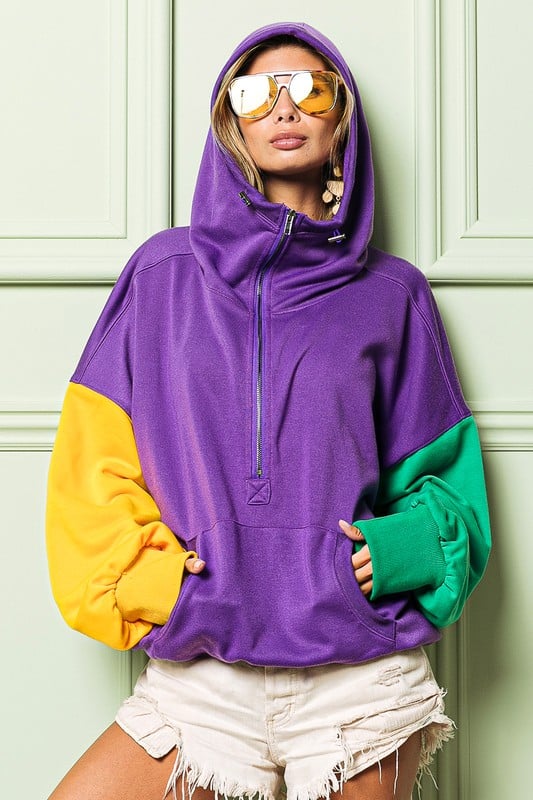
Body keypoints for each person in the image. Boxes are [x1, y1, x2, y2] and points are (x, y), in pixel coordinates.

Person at [46, 21, 491, 800]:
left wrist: (405, 549)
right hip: (202, 678)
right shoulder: (160, 275)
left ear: (339, 118)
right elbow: (91, 471)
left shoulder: (393, 294)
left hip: (360, 679)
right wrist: (156, 585)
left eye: (310, 89)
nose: (283, 107)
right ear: (232, 122)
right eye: (255, 92)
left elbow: (446, 484)